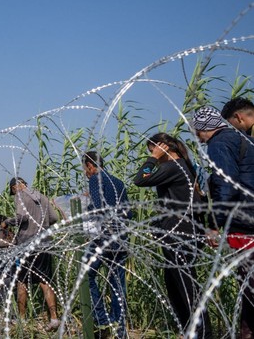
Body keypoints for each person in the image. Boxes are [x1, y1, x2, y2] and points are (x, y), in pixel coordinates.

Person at [133, 133, 213, 339]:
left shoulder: (173, 167)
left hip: (178, 234)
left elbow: (140, 180)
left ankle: (201, 333)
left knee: (185, 288)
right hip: (188, 231)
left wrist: (154, 159)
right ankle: (191, 330)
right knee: (177, 284)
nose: (152, 155)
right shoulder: (187, 167)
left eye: (152, 150)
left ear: (163, 148)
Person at [193, 106, 254, 338]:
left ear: (206, 128)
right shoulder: (243, 139)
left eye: (198, 131)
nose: (198, 136)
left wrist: (216, 224)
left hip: (242, 221)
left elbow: (226, 185)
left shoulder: (218, 144)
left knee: (249, 286)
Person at [2, 177, 60, 332]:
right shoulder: (41, 196)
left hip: (27, 245)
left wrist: (8, 221)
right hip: (44, 243)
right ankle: (54, 318)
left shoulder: (21, 196)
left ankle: (22, 319)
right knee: (44, 280)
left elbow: (22, 217)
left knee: (22, 281)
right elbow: (54, 218)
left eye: (13, 191)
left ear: (15, 187)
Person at [82, 151, 130, 337]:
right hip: (120, 237)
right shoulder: (118, 182)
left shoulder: (95, 180)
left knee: (86, 276)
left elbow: (99, 207)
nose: (86, 172)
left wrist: (86, 206)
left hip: (103, 238)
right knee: (118, 283)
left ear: (90, 166)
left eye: (86, 168)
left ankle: (102, 320)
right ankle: (120, 328)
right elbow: (128, 211)